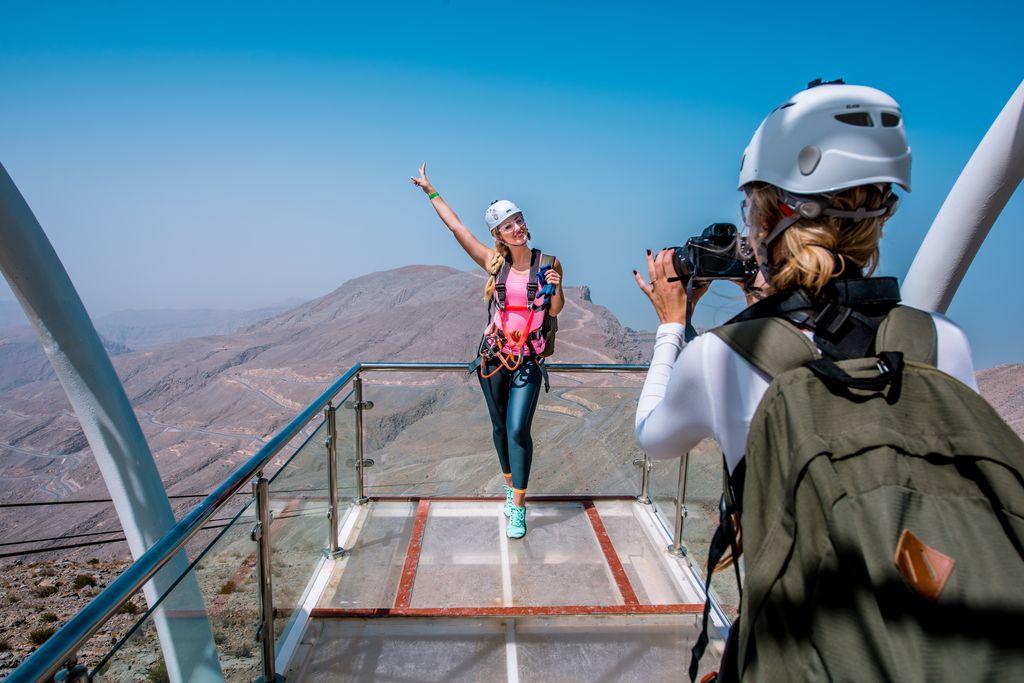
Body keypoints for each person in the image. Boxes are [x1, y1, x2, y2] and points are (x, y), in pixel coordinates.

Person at [633, 82, 985, 680]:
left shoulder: (723, 357)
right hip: (926, 644)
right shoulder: (941, 339)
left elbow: (652, 438)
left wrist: (673, 325)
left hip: (797, 651)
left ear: (771, 212)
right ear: (880, 214)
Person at [411, 163, 564, 539]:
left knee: (517, 429)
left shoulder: (549, 263)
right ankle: (509, 483)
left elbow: (556, 309)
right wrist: (431, 191)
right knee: (499, 427)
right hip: (494, 357)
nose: (518, 228)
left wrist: (557, 286)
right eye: (509, 225)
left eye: (520, 220)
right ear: (498, 234)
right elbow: (457, 227)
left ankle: (517, 506)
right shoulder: (493, 264)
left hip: (527, 359)